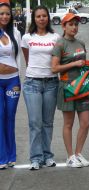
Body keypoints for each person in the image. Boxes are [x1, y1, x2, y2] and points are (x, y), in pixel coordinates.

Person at [51, 13, 89, 168]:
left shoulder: (80, 43)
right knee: (68, 123)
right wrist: (73, 65)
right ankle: (70, 157)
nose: (74, 27)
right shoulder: (59, 44)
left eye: (76, 24)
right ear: (64, 26)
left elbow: (82, 65)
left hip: (81, 88)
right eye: (70, 24)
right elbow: (54, 68)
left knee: (86, 122)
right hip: (67, 88)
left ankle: (78, 154)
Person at [21, 5, 60, 170]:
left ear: (48, 18)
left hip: (51, 83)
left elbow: (58, 59)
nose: (42, 19)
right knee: (35, 122)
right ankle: (36, 158)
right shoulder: (27, 37)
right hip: (32, 83)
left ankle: (47, 155)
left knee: (47, 122)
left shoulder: (56, 37)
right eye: (38, 16)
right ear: (34, 18)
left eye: (44, 16)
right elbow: (27, 58)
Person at [0, 2, 21, 170]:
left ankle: (11, 157)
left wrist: (17, 73)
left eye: (7, 13)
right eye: (1, 14)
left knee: (10, 117)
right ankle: (2, 157)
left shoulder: (16, 33)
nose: (4, 16)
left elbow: (18, 57)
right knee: (0, 117)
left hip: (13, 81)